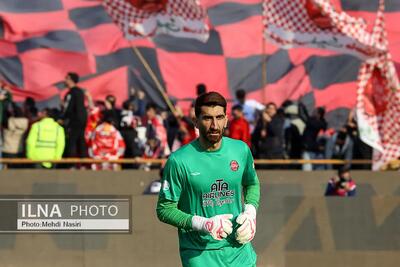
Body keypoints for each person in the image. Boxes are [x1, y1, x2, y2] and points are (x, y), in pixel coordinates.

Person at [156, 92, 260, 267]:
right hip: (200, 255)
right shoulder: (179, 160)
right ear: (195, 122)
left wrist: (250, 212)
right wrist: (203, 224)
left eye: (219, 117)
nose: (214, 125)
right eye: (207, 118)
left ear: (226, 120)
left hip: (240, 251)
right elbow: (164, 209)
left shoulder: (241, 150)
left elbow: (251, 183)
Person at [62, 72, 88, 160]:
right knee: (81, 141)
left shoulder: (72, 93)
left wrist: (63, 118)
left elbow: (68, 108)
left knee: (71, 142)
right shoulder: (79, 92)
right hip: (81, 121)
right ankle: (84, 162)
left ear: (71, 80)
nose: (64, 80)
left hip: (74, 121)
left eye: (66, 78)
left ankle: (70, 164)